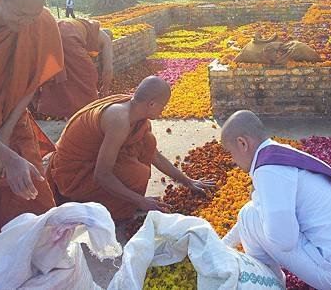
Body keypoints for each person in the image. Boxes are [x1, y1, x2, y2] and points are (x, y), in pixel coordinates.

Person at [221, 110, 331, 290]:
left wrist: (258, 205)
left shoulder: (268, 170)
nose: (233, 161)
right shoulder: (282, 153)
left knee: (248, 214)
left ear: (242, 143)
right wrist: (223, 245)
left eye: (230, 153)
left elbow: (283, 241)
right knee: (254, 213)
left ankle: (270, 284)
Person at [45, 76, 214, 220]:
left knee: (147, 141)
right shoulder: (119, 119)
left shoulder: (135, 110)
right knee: (136, 174)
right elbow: (101, 175)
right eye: (164, 106)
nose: (164, 111)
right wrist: (141, 201)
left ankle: (126, 200)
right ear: (152, 104)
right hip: (73, 173)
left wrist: (188, 181)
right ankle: (108, 205)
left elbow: (154, 155)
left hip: (94, 160)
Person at [0, 0, 64, 239]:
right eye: (20, 14)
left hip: (13, 119)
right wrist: (4, 155)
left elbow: (29, 85)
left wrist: (5, 137)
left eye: (35, 14)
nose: (27, 23)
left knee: (34, 201)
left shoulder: (41, 23)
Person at [36, 18, 113, 118]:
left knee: (61, 74)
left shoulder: (85, 26)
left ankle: (64, 110)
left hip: (51, 32)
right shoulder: (106, 39)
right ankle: (88, 113)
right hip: (67, 36)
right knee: (89, 75)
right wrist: (105, 90)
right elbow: (108, 69)